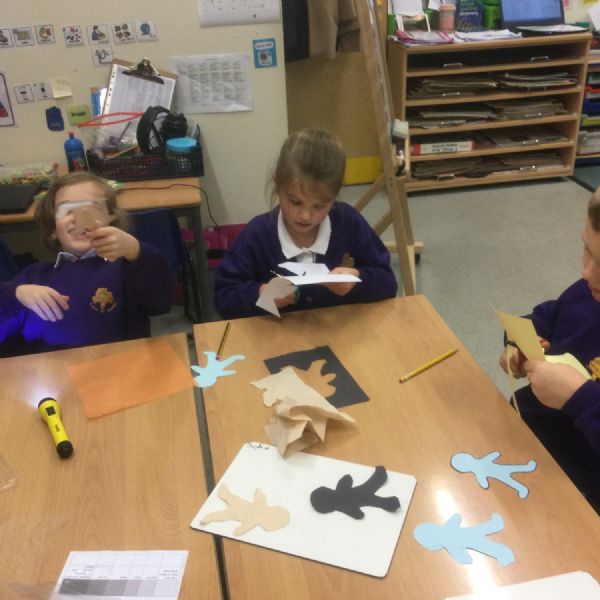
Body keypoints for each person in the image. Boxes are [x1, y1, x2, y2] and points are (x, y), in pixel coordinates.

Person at [213, 128, 398, 319]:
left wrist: (357, 280)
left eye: (319, 205)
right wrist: (262, 294)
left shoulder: (348, 222)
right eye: (295, 202)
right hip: (276, 334)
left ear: (334, 196)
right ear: (277, 185)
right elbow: (223, 297)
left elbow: (388, 282)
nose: (306, 215)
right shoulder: (257, 235)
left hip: (338, 331)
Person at [499, 189, 600, 514]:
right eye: (587, 250)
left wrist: (580, 398)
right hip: (527, 433)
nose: (587, 273)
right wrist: (520, 344)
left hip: (580, 485)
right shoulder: (588, 291)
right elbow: (546, 317)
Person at [0, 172, 174, 355]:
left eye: (92, 209)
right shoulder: (34, 277)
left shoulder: (126, 268)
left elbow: (161, 301)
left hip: (119, 366)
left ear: (111, 222)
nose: (78, 219)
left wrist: (134, 249)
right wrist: (16, 294)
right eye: (66, 211)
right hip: (53, 369)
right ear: (53, 230)